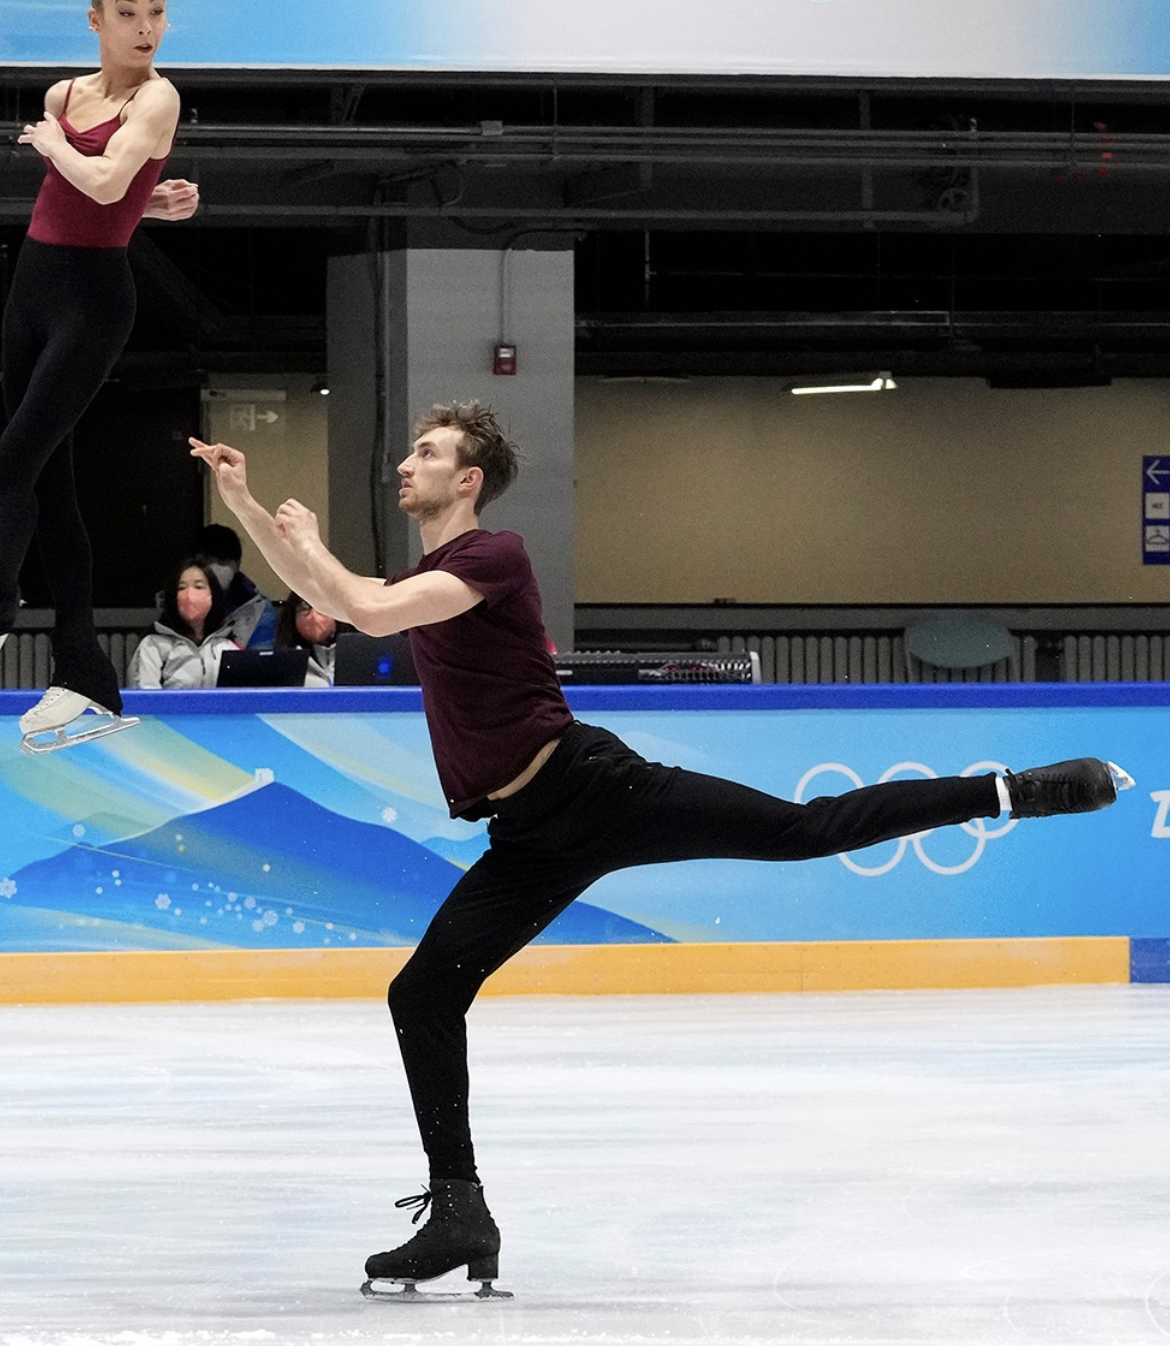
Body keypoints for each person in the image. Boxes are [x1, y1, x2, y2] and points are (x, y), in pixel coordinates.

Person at [188, 401, 1131, 1297]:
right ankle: (461, 1214)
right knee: (422, 992)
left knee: (804, 832)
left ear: (468, 478)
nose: (405, 462)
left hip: (601, 789)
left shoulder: (494, 554)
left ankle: (1020, 789)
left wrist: (306, 539)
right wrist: (241, 503)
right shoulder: (436, 572)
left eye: (426, 453)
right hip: (529, 837)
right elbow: (336, 600)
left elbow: (364, 605)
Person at [0, 0, 199, 747]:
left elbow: (103, 181)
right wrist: (151, 205)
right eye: (128, 14)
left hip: (93, 301)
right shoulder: (65, 91)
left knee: (10, 466)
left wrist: (54, 144)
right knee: (50, 485)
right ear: (96, 21)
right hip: (32, 292)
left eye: (156, 13)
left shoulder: (157, 100)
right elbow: (99, 198)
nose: (146, 28)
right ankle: (84, 677)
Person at [129, 556, 240, 688]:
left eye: (199, 587)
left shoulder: (227, 647)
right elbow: (145, 701)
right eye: (181, 588)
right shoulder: (153, 646)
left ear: (213, 594)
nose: (189, 595)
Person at [190, 523, 277, 649]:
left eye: (221, 562)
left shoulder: (259, 609)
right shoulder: (179, 602)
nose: (213, 568)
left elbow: (260, 659)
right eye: (206, 561)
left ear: (237, 564)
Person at [274, 590, 338, 687]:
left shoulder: (358, 653)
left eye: (323, 607)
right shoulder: (282, 662)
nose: (314, 616)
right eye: (304, 608)